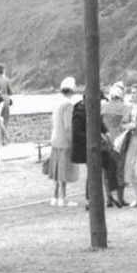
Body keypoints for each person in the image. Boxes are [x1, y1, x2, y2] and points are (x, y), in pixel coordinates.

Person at [46, 77, 80, 207]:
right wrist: (73, 142)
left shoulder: (57, 102)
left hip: (55, 139)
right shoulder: (68, 104)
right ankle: (63, 198)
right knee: (64, 170)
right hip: (64, 141)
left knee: (56, 169)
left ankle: (55, 196)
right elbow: (68, 126)